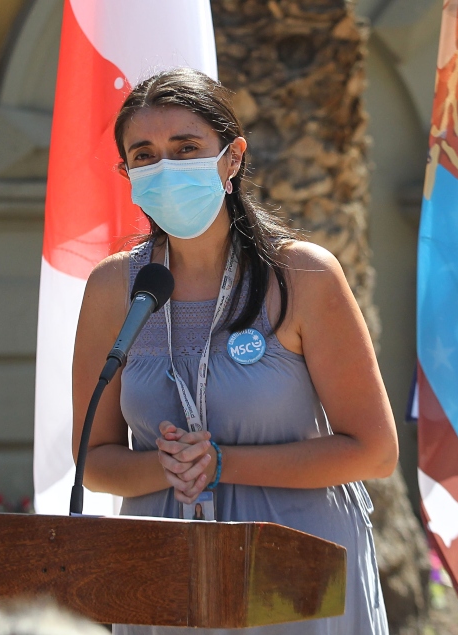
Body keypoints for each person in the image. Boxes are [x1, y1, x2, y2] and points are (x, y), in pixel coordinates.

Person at [71, 68, 397, 635]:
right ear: (126, 174)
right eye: (143, 155)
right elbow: (94, 464)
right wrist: (168, 468)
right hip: (161, 577)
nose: (165, 168)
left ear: (232, 158)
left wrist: (222, 463)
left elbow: (373, 453)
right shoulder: (111, 289)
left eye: (186, 148)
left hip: (298, 573)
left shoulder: (303, 276)